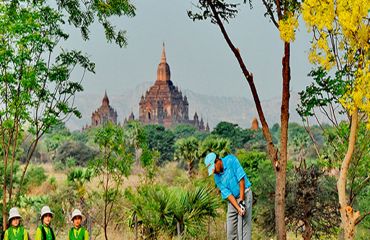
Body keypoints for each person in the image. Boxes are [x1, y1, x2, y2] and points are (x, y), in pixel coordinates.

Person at [204, 152, 252, 240]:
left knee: (242, 230)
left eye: (213, 168)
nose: (214, 172)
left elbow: (241, 180)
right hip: (233, 200)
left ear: (217, 161)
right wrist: (238, 208)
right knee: (230, 231)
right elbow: (228, 194)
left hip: (244, 193)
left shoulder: (231, 160)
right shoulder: (217, 177)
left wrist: (241, 202)